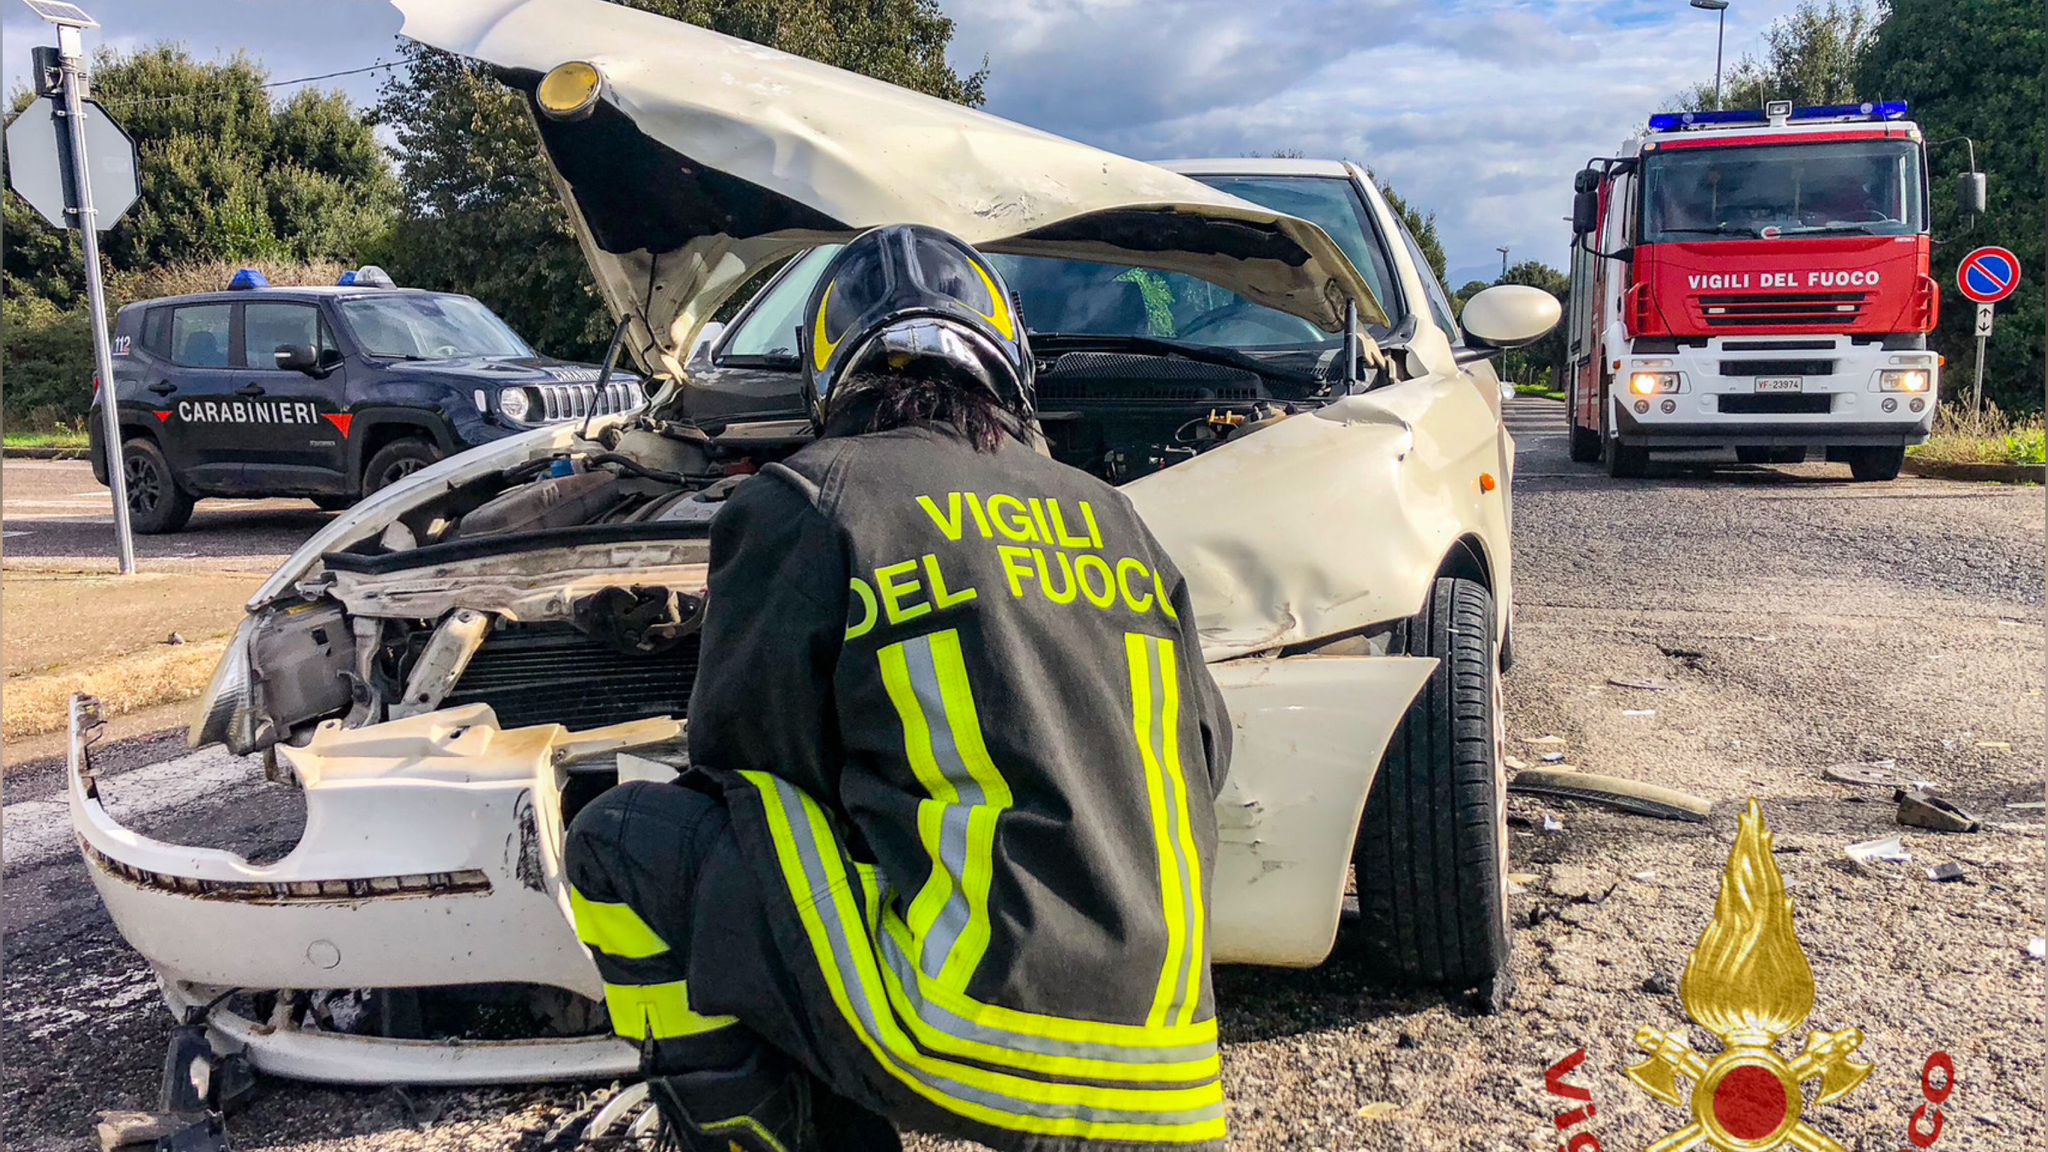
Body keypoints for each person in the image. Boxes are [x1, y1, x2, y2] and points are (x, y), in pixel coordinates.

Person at [564, 224, 1233, 1152]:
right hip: (1175, 1071)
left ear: (832, 369)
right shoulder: (1113, 516)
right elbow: (1208, 750)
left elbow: (748, 765)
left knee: (622, 842)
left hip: (975, 1038)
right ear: (1008, 363)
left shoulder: (806, 499)